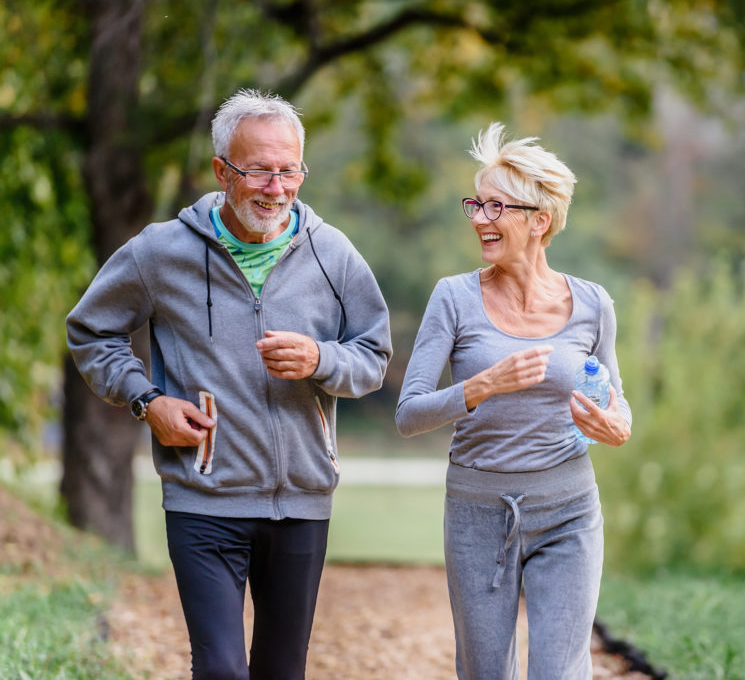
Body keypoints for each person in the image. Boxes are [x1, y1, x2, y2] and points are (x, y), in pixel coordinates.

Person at [66, 88, 392, 679]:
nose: (276, 188)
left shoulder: (334, 255)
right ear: (222, 170)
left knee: (280, 672)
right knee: (220, 670)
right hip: (203, 498)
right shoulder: (161, 252)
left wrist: (321, 358)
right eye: (259, 171)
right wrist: (147, 400)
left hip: (302, 502)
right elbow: (91, 332)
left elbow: (373, 357)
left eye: (289, 170)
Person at [395, 122, 631, 679]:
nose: (479, 218)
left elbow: (617, 403)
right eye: (475, 204)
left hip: (568, 506)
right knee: (485, 673)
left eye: (496, 206)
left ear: (539, 220)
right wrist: (482, 385)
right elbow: (408, 414)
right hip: (478, 509)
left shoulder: (594, 304)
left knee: (560, 672)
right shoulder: (454, 298)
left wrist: (616, 426)